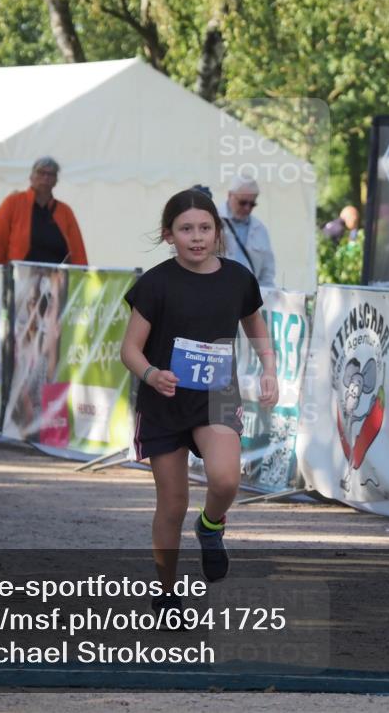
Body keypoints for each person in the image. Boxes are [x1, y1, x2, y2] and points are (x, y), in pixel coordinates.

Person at [120, 188, 278, 616]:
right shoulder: (155, 284)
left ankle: (210, 526)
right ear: (168, 235)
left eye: (205, 228)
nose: (196, 237)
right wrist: (152, 374)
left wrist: (269, 368)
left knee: (226, 480)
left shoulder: (237, 279)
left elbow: (255, 326)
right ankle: (167, 594)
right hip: (165, 401)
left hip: (217, 395)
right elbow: (130, 349)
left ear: (217, 231)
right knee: (172, 504)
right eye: (186, 229)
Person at [0, 157, 88, 266]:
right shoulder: (13, 203)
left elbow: (78, 252)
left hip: (57, 275)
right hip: (20, 274)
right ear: (31, 177)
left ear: (56, 181)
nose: (45, 177)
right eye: (41, 172)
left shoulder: (65, 212)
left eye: (51, 174)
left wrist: (83, 273)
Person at [219, 175, 276, 288]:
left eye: (252, 204)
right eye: (243, 202)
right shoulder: (212, 221)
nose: (247, 208)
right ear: (229, 195)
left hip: (249, 293)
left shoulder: (260, 229)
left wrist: (264, 294)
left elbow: (267, 274)